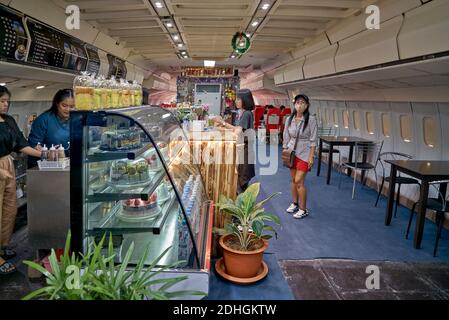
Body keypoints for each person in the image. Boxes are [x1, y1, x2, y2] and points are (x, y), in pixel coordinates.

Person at [0, 86, 41, 275]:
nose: (5, 104)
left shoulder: (8, 120)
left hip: (7, 163)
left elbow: (21, 144)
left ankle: (3, 245)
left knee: (9, 208)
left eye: (7, 101)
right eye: (1, 101)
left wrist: (43, 154)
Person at [213, 89, 256, 193]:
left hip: (245, 151)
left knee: (242, 183)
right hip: (244, 150)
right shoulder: (244, 113)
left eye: (238, 99)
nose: (236, 101)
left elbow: (238, 131)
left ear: (245, 100)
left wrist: (223, 123)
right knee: (241, 181)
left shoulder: (246, 114)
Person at [282, 94, 317, 219]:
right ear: (294, 104)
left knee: (299, 181)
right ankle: (294, 203)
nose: (300, 105)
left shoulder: (311, 120)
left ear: (307, 105)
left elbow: (313, 140)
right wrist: (285, 149)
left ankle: (303, 209)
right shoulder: (289, 119)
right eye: (298, 102)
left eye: (302, 102)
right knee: (293, 181)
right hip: (291, 152)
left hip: (304, 153)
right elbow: (286, 135)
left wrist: (311, 157)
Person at [28, 89, 74, 167]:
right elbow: (34, 145)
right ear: (57, 103)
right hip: (48, 166)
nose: (68, 109)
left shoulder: (77, 118)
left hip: (69, 164)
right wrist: (47, 153)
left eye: (72, 106)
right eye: (64, 105)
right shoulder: (44, 119)